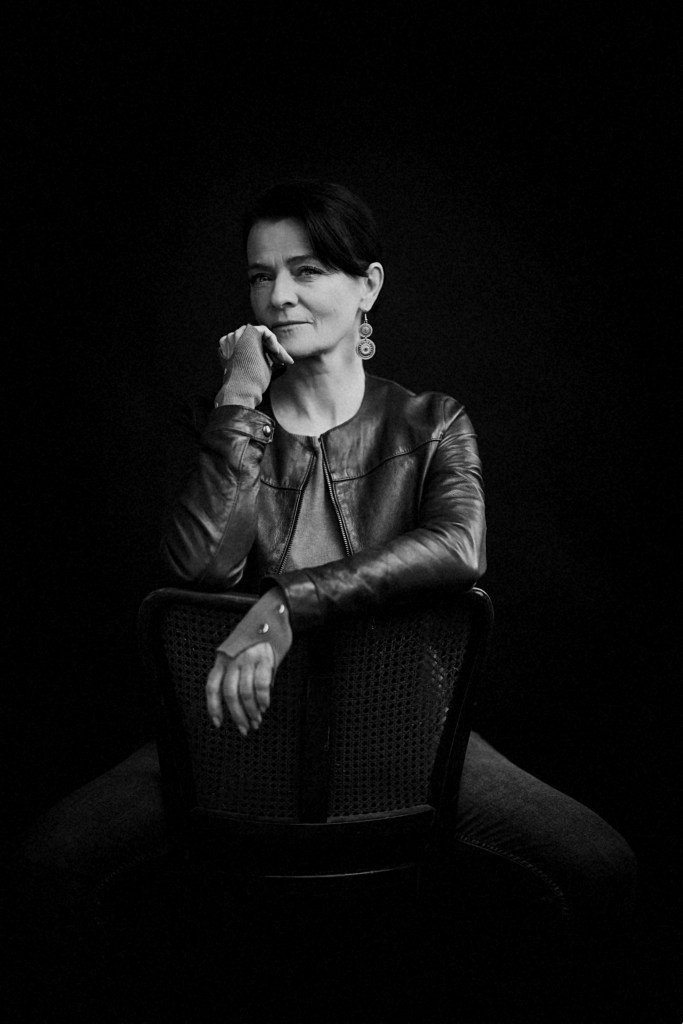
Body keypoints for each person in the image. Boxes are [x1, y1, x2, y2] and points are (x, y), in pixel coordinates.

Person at [17, 180, 637, 1021]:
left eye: (306, 271)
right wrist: (238, 399)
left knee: (600, 866)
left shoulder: (430, 423)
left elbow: (459, 547)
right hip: (231, 744)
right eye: (259, 276)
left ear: (367, 285)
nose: (278, 296)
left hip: (406, 736)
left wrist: (285, 605)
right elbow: (200, 567)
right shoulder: (220, 421)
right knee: (49, 862)